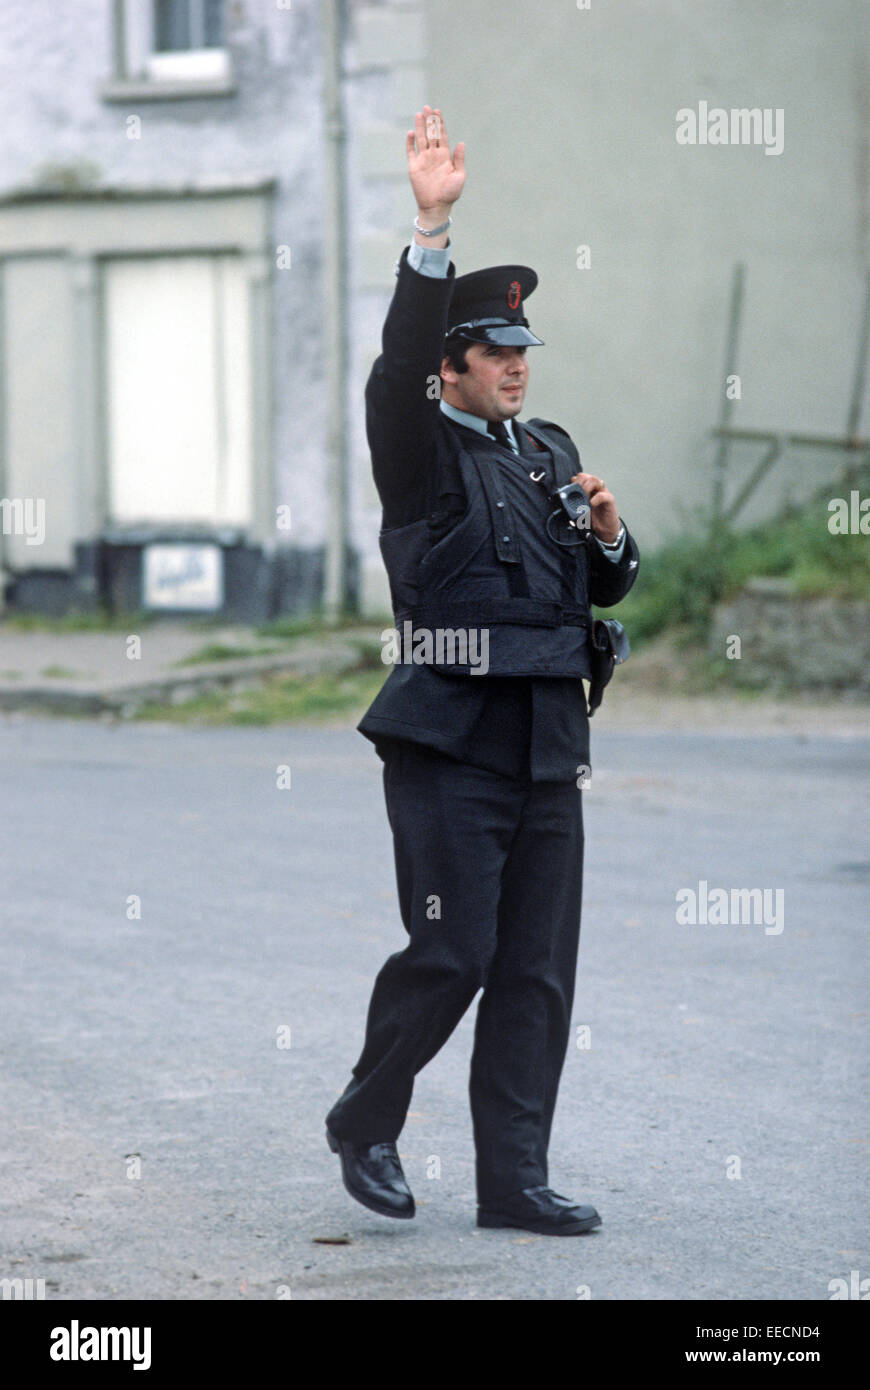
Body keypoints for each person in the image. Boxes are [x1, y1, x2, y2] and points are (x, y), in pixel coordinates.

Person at [325, 107, 639, 1236]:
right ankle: (367, 1117)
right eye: (493, 355)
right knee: (453, 950)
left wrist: (606, 535)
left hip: (550, 744)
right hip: (450, 745)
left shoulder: (550, 448)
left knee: (537, 975)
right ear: (450, 369)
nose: (513, 367)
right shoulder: (415, 449)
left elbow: (602, 590)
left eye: (521, 353)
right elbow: (395, 361)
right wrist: (431, 226)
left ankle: (514, 1179)